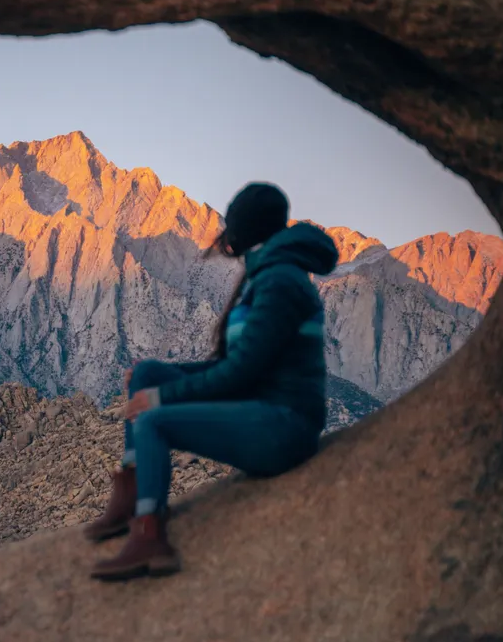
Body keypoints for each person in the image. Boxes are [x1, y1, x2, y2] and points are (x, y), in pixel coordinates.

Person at [88, 182, 339, 580]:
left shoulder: (280, 282)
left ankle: (149, 536)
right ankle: (132, 495)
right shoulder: (267, 274)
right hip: (259, 408)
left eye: (233, 222)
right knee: (148, 372)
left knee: (153, 421)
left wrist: (160, 399)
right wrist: (154, 384)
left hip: (283, 426)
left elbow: (240, 373)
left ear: (247, 228)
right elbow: (235, 366)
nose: (226, 233)